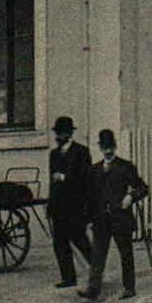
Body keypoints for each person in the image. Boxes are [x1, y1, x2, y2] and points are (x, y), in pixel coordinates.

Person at [79, 129, 150, 301]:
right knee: (97, 255)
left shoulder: (125, 167)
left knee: (125, 253)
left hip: (120, 217)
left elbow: (143, 188)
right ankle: (93, 289)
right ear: (100, 148)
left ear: (115, 146)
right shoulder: (94, 170)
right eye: (104, 147)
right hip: (101, 220)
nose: (108, 151)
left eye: (110, 147)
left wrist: (130, 196)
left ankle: (129, 287)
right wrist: (88, 219)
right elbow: (90, 197)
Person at [46, 115, 93, 288]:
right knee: (60, 242)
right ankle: (68, 277)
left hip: (76, 204)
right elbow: (52, 182)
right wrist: (50, 205)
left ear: (68, 134)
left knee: (79, 239)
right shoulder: (54, 154)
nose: (58, 137)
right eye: (57, 133)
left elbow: (85, 178)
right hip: (58, 206)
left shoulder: (81, 152)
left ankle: (97, 268)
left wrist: (65, 177)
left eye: (61, 133)